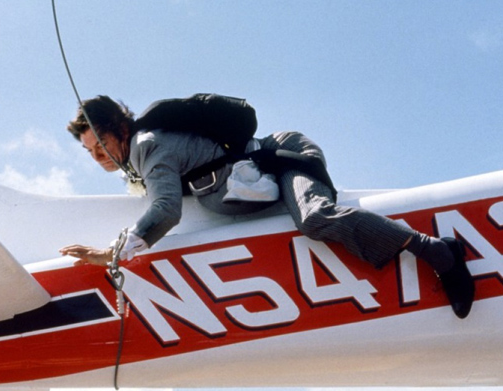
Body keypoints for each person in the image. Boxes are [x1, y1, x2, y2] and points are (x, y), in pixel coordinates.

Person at [59, 96, 475, 319]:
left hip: (283, 158)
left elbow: (167, 209)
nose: (98, 157)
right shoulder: (135, 165)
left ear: (121, 130)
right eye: (90, 152)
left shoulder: (148, 148)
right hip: (264, 177)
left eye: (101, 145)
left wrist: (111, 253)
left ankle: (440, 252)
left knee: (315, 218)